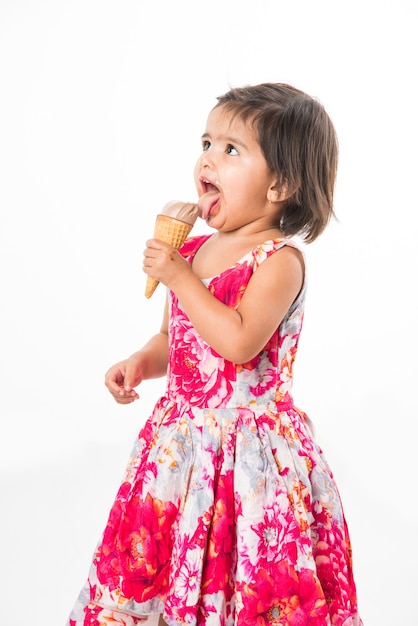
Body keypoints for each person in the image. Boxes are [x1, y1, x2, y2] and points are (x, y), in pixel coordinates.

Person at [67, 83, 362, 626]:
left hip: (249, 456)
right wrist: (141, 362)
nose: (208, 158)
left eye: (231, 150)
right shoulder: (195, 249)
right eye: (206, 142)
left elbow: (239, 341)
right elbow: (174, 340)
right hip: (180, 450)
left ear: (282, 184)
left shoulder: (278, 261)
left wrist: (179, 277)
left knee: (242, 574)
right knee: (166, 561)